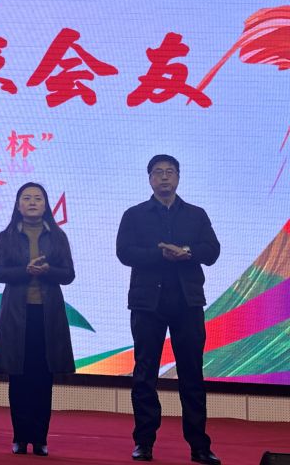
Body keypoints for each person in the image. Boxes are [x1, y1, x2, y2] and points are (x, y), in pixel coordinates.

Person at [116, 155, 221, 465]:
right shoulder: (134, 215)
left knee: (192, 374)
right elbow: (124, 252)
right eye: (158, 172)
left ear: (178, 177)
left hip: (188, 303)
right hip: (147, 304)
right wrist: (159, 254)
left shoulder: (196, 215)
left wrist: (187, 252)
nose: (164, 177)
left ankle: (199, 445)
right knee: (145, 373)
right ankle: (144, 442)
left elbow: (212, 251)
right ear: (150, 179)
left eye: (170, 172)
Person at [0, 182, 75, 457]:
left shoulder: (57, 236)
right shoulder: (7, 236)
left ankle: (40, 439)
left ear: (46, 204)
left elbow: (68, 274)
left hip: (47, 315)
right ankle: (20, 436)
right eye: (26, 198)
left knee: (43, 377)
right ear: (18, 205)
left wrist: (48, 271)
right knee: (19, 377)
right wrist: (25, 271)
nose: (32, 202)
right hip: (17, 314)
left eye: (38, 198)